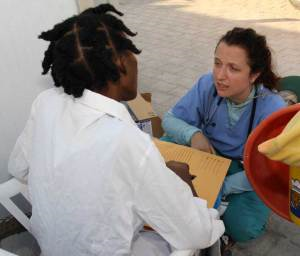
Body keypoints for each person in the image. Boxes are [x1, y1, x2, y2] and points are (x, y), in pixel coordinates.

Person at [7, 4, 224, 256]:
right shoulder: (126, 141)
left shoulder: (46, 102)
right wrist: (184, 186)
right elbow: (197, 233)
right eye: (131, 52)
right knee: (196, 231)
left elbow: (18, 167)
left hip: (52, 248)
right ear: (121, 64)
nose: (135, 59)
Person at [161, 27, 286, 252]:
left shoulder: (272, 108)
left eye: (233, 68)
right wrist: (194, 134)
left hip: (246, 170)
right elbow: (170, 119)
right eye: (218, 63)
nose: (220, 75)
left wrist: (223, 186)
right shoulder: (206, 85)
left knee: (244, 227)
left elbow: (269, 171)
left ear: (254, 74)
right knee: (166, 142)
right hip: (209, 155)